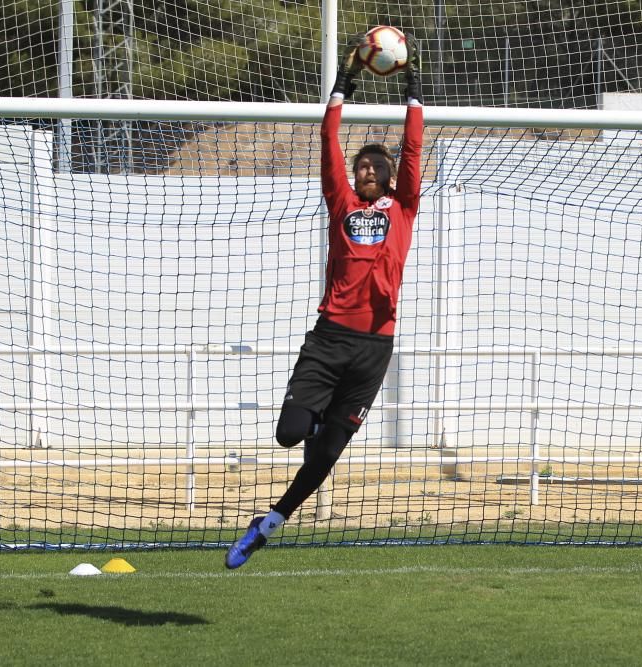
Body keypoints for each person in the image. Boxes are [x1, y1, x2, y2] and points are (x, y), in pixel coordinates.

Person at [226, 33, 424, 569]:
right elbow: (328, 142)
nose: (364, 170)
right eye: (360, 166)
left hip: (374, 347)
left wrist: (413, 89)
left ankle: (270, 521)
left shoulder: (404, 205)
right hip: (330, 337)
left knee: (327, 455)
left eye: (373, 167)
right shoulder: (340, 202)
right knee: (292, 435)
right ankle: (317, 421)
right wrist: (344, 84)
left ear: (387, 177)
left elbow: (412, 151)